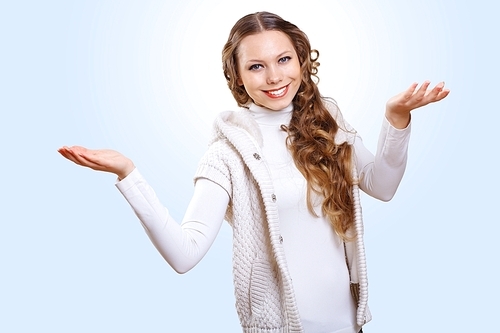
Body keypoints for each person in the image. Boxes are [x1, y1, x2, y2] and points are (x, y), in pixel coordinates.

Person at [58, 11, 449, 333]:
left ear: (301, 59)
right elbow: (184, 253)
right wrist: (129, 174)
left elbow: (381, 186)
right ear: (238, 76)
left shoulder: (327, 125)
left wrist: (396, 120)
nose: (275, 77)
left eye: (283, 60)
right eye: (257, 66)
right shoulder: (227, 155)